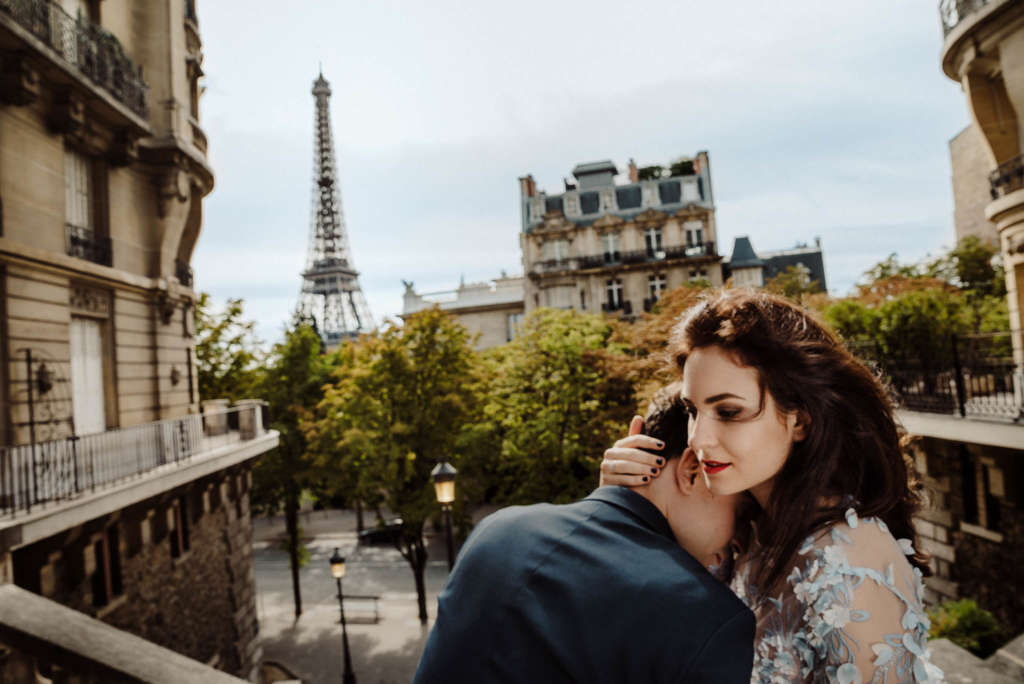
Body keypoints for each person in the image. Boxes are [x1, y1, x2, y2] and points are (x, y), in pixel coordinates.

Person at [600, 290, 945, 684]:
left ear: (800, 421)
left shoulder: (851, 563)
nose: (699, 438)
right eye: (693, 411)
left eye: (729, 412)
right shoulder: (748, 531)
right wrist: (616, 503)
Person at [414, 386, 755, 683]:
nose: (742, 539)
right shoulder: (710, 620)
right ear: (693, 470)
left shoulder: (498, 531)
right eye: (743, 513)